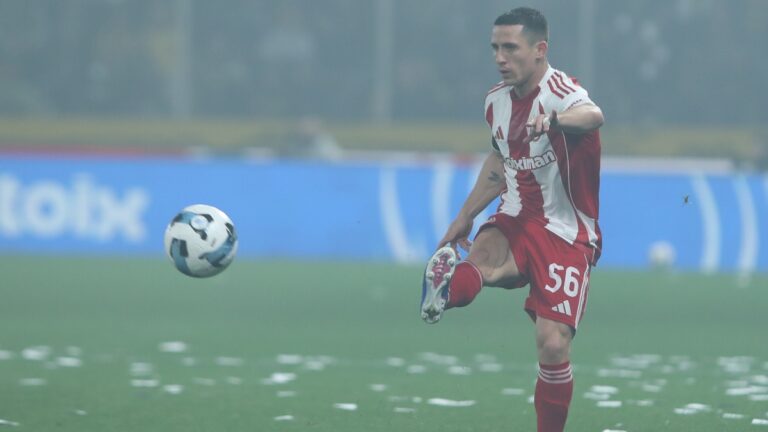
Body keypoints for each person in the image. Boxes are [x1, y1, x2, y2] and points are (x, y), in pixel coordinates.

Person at [420, 7, 604, 432]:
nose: (500, 58)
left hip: (566, 232)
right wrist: (465, 215)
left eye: (510, 48)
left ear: (540, 50)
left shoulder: (561, 91)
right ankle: (442, 291)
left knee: (552, 344)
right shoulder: (496, 101)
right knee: (479, 263)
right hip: (515, 216)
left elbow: (594, 115)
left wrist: (554, 120)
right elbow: (500, 160)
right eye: (495, 48)